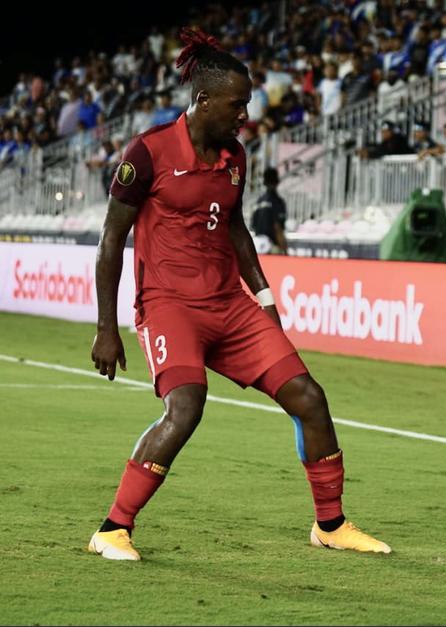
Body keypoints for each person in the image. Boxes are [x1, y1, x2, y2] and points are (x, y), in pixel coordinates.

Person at [88, 29, 390, 562]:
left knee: (310, 399)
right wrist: (106, 328)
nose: (245, 114)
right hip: (169, 306)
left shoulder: (236, 156)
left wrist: (265, 298)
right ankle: (112, 528)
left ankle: (331, 524)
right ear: (203, 98)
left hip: (230, 306)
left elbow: (235, 228)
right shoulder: (149, 151)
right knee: (185, 408)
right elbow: (111, 239)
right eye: (238, 103)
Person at [250, 167, 289, 255]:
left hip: (257, 246)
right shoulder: (277, 201)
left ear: (264, 182)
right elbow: (277, 227)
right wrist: (285, 249)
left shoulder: (259, 201)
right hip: (271, 247)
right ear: (277, 181)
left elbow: (253, 225)